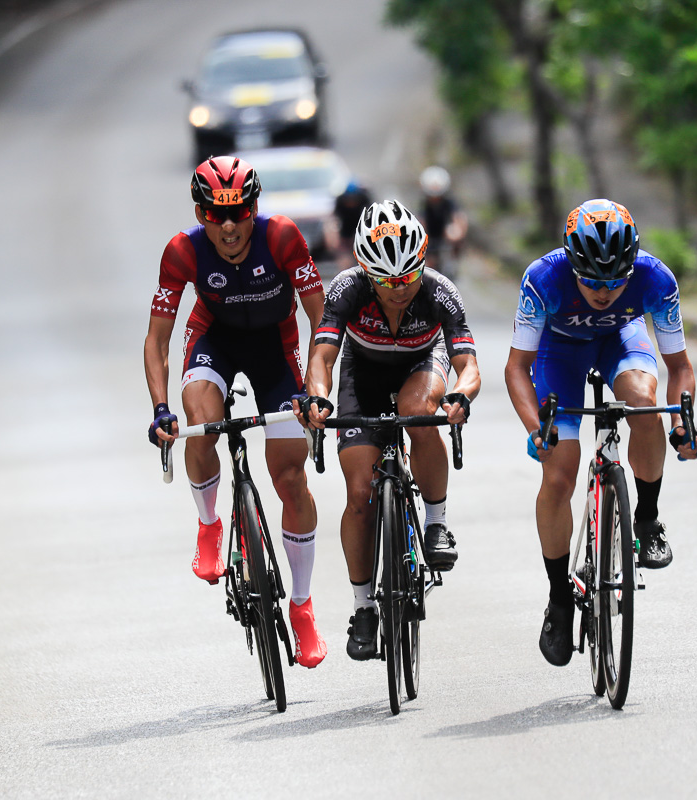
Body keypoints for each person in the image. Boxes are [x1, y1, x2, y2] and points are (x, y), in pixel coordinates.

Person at [144, 155, 328, 668]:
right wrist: (160, 409)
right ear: (200, 212)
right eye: (213, 214)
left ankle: (302, 605)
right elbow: (157, 340)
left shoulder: (284, 237)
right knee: (198, 419)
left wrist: (314, 389)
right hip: (215, 339)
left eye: (239, 211)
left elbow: (322, 320)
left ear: (254, 207)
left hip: (276, 346)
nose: (227, 226)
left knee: (290, 477)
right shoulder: (182, 251)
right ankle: (209, 524)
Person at [503, 198, 697, 667]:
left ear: (633, 267)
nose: (603, 292)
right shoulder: (543, 278)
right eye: (591, 281)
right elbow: (517, 367)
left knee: (643, 401)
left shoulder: (657, 280)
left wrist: (682, 424)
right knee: (559, 475)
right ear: (572, 265)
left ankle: (648, 520)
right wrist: (537, 429)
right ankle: (558, 599)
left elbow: (679, 367)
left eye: (616, 282)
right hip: (560, 354)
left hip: (621, 340)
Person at [297, 199, 481, 661]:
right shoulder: (346, 289)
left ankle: (436, 524)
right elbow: (321, 357)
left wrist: (460, 395)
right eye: (386, 281)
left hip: (423, 364)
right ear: (366, 272)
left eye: (408, 277)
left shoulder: (440, 291)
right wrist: (318, 397)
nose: (400, 290)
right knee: (359, 495)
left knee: (419, 412)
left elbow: (468, 365)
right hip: (364, 374)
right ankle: (363, 608)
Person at [418, 166, 468, 278]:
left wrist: (458, 232)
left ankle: (453, 261)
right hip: (430, 237)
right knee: (429, 266)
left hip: (446, 235)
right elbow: (421, 222)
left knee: (453, 232)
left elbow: (459, 218)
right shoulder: (424, 206)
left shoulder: (450, 203)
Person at [329, 178, 373, 271]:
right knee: (345, 253)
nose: (351, 202)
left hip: (360, 225)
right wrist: (335, 235)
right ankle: (346, 270)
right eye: (348, 199)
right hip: (346, 227)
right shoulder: (340, 201)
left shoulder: (364, 198)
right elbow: (334, 219)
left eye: (353, 199)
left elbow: (372, 215)